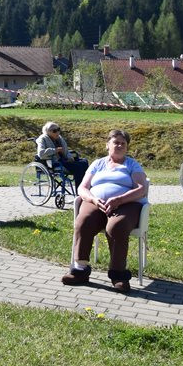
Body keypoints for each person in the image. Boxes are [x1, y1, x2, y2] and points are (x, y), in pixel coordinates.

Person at [61, 129, 148, 293]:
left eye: (123, 143)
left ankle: (118, 275)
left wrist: (119, 200)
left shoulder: (131, 165)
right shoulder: (98, 164)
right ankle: (80, 271)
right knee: (83, 221)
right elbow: (83, 188)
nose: (120, 145)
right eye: (116, 142)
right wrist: (93, 199)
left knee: (117, 227)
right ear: (107, 145)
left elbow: (141, 189)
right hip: (97, 202)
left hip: (126, 204)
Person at [36, 121, 89, 189]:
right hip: (55, 162)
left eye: (58, 129)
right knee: (78, 168)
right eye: (54, 131)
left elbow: (66, 151)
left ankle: (86, 188)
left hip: (65, 160)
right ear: (47, 132)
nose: (57, 132)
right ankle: (80, 191)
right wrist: (55, 150)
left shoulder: (59, 138)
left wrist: (70, 157)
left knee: (84, 162)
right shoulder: (42, 139)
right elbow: (41, 153)